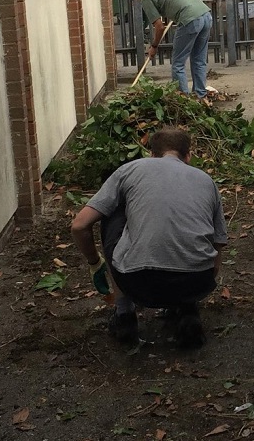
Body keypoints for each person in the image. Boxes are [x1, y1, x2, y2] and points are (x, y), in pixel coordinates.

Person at [70, 127, 227, 348]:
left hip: (139, 282)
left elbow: (79, 226)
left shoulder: (130, 170)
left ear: (151, 155)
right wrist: (205, 276)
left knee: (110, 211)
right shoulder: (206, 180)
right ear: (188, 156)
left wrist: (95, 264)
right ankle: (187, 309)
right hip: (197, 282)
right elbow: (219, 241)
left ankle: (124, 314)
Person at [125, 0, 213, 99]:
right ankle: (200, 96)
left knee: (178, 64)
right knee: (198, 60)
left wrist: (154, 46)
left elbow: (160, 27)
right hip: (206, 15)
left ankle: (183, 99)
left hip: (190, 20)